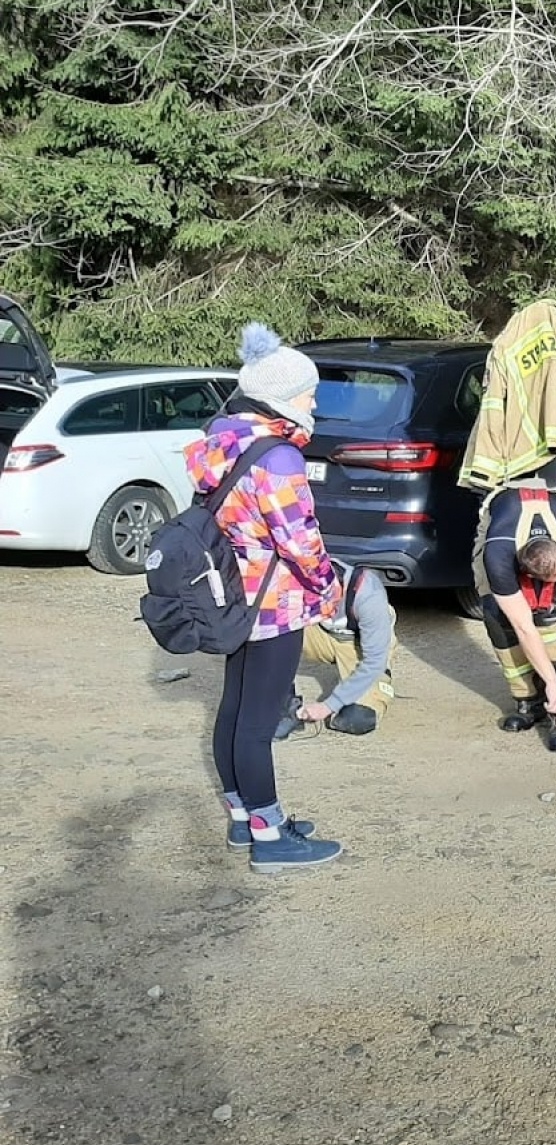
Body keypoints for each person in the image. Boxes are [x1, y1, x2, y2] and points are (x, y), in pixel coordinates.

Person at [187, 322, 344, 873]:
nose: (314, 401)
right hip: (274, 605)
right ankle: (271, 834)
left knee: (234, 709)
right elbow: (300, 540)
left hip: (232, 598)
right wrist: (330, 590)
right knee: (259, 723)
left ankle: (242, 815)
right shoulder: (278, 457)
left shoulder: (221, 441)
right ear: (279, 396)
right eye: (308, 392)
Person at [474, 482, 556, 751]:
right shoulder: (497, 557)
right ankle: (528, 700)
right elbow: (524, 628)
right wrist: (550, 683)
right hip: (501, 520)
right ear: (528, 575)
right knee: (498, 618)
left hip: (552, 511)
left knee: (553, 618)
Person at [283, 558, 397, 737]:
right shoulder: (298, 581)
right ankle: (283, 703)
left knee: (357, 718)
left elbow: (374, 662)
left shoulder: (368, 595)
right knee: (274, 630)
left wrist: (328, 706)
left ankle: (374, 684)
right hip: (320, 634)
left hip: (357, 645)